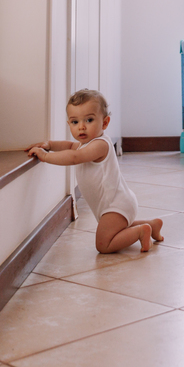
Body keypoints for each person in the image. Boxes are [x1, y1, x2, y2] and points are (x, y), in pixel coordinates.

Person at [26, 89, 164, 254]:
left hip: (115, 205)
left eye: (89, 120)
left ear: (104, 123)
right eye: (75, 122)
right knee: (116, 230)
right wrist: (49, 144)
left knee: (103, 244)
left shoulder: (100, 145)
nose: (81, 127)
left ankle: (141, 232)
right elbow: (69, 146)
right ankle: (152, 225)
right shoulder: (85, 144)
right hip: (117, 203)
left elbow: (74, 157)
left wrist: (45, 156)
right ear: (69, 124)